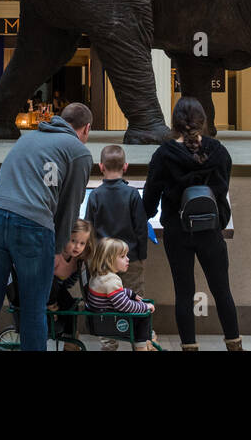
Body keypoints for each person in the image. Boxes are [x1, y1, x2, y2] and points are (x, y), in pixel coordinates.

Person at [0, 102, 93, 351]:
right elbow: (70, 205)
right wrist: (59, 250)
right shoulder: (78, 151)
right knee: (34, 310)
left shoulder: (28, 138)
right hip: (33, 225)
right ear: (86, 128)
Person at [143, 96, 240, 351]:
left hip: (178, 230)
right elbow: (222, 188)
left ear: (174, 122)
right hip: (210, 230)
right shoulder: (218, 151)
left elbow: (151, 194)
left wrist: (144, 216)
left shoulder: (164, 154)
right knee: (222, 291)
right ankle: (234, 344)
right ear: (203, 121)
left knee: (184, 293)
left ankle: (189, 346)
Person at [86, 143, 149, 351]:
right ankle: (139, 343)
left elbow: (89, 230)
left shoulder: (95, 195)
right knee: (135, 297)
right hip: (129, 257)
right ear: (126, 166)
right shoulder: (132, 194)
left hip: (103, 261)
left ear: (101, 166)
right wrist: (140, 255)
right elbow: (141, 228)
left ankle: (108, 343)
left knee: (104, 303)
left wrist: (92, 259)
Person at [85, 238, 158, 351]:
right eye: (123, 256)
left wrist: (130, 294)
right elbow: (124, 306)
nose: (128, 259)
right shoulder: (112, 281)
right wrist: (145, 306)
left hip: (102, 318)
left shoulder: (98, 276)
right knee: (144, 315)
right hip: (112, 321)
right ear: (109, 259)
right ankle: (141, 347)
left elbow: (111, 295)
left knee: (140, 309)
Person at [46, 219, 93, 348]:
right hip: (44, 289)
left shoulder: (77, 260)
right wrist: (50, 302)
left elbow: (71, 281)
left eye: (82, 243)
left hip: (58, 289)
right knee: (53, 282)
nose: (77, 246)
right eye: (73, 241)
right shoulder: (56, 256)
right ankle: (51, 306)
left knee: (72, 305)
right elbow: (44, 278)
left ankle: (69, 338)